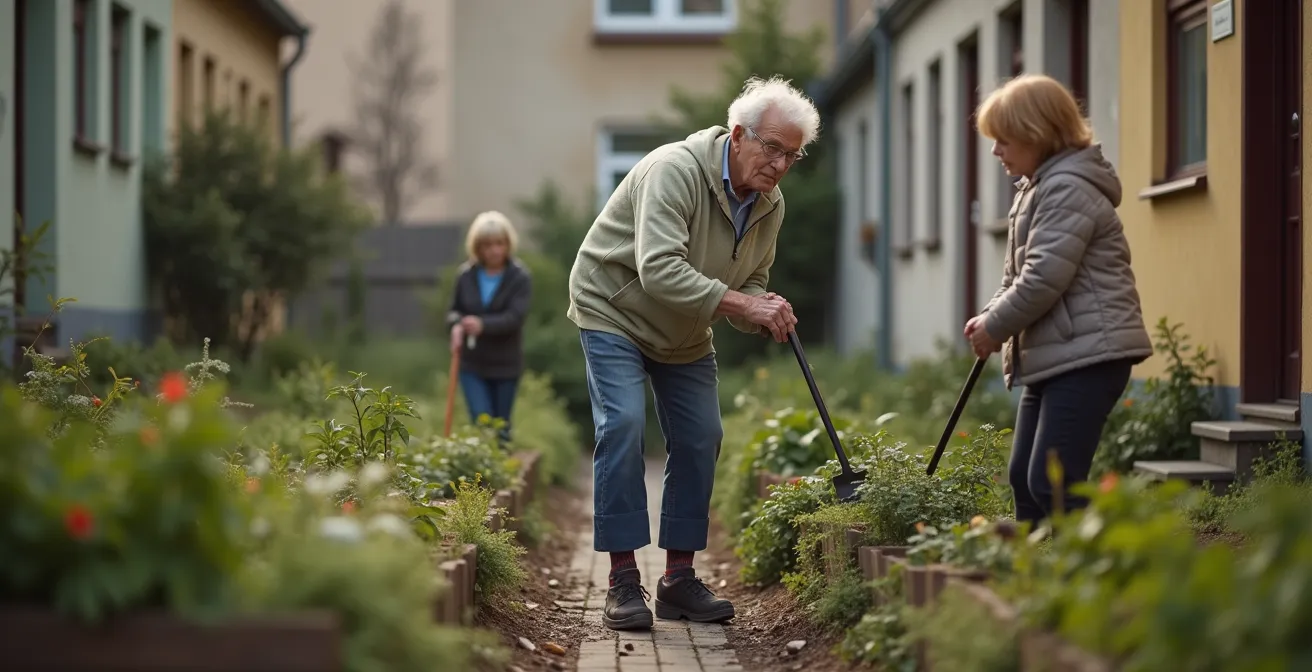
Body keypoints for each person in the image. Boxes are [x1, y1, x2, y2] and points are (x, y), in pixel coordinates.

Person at [567, 75, 816, 631]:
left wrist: (765, 305)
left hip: (684, 328)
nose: (779, 165)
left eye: (791, 156)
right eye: (771, 147)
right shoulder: (673, 171)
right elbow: (657, 268)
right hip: (616, 310)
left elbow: (750, 277)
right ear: (737, 135)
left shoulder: (769, 204)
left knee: (703, 434)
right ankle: (622, 582)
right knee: (625, 423)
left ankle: (678, 581)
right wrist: (740, 306)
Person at [966, 74, 1152, 526]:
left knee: (1055, 483)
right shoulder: (1037, 188)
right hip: (1060, 353)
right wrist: (991, 314)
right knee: (1024, 480)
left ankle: (1099, 579)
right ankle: (1034, 586)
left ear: (1037, 133)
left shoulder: (1067, 188)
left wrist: (996, 327)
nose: (996, 152)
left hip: (1090, 356)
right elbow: (1016, 276)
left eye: (1003, 140)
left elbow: (1044, 278)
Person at [447, 210, 532, 443]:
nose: (494, 250)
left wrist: (483, 325)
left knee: (501, 427)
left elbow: (515, 317)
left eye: (499, 243)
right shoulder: (465, 276)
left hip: (505, 365)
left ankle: (501, 477)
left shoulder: (519, 277)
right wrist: (456, 325)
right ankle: (481, 478)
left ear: (507, 244)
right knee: (481, 422)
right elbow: (454, 310)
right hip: (472, 363)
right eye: (487, 245)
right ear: (477, 247)